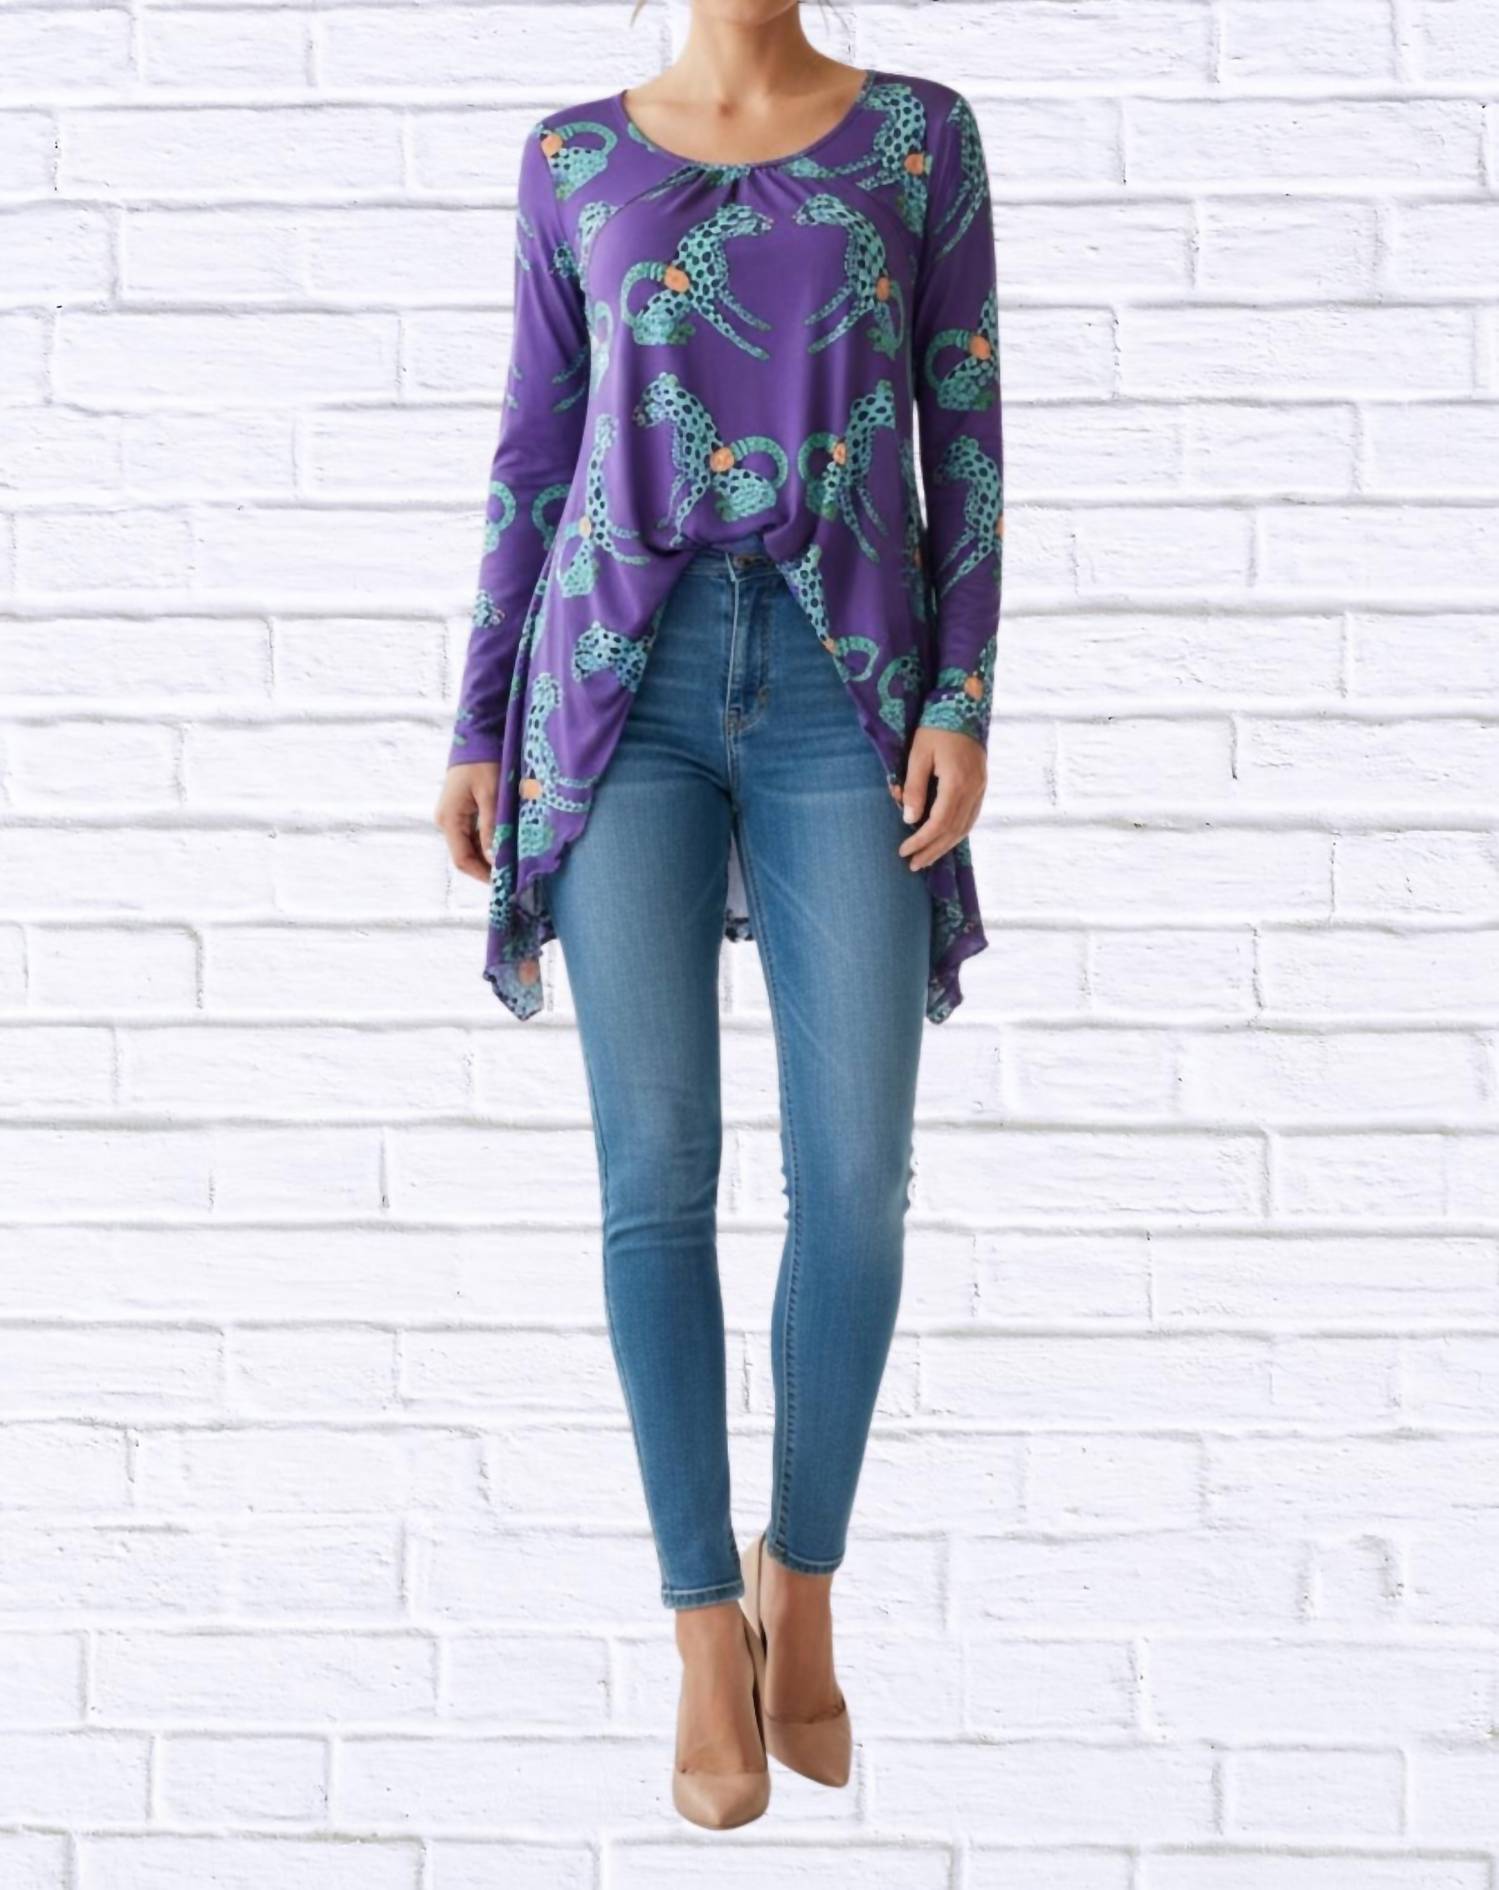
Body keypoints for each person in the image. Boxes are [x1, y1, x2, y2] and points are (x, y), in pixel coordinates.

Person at [434, 7, 1002, 1830]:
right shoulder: (573, 160)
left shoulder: (919, 138)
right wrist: (476, 723)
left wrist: (962, 693)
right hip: (621, 688)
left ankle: (799, 1579)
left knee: (858, 1176)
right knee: (654, 1168)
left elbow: (966, 425)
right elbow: (535, 451)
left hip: (850, 687)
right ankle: (700, 1621)